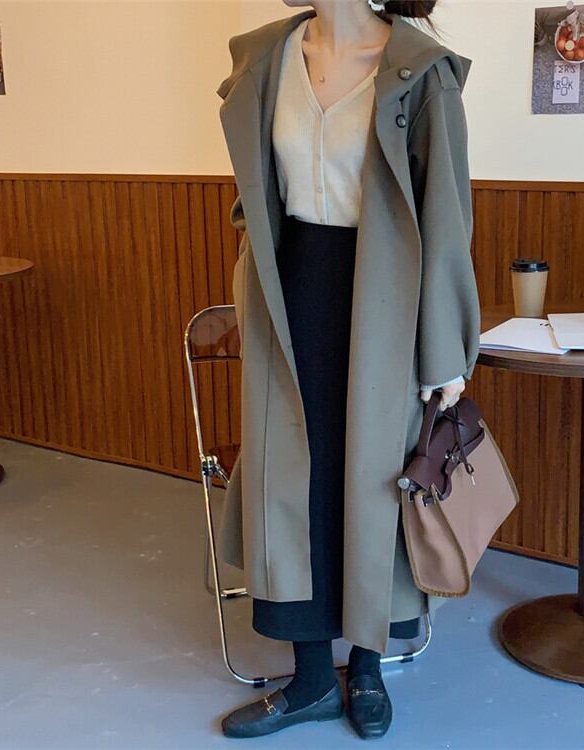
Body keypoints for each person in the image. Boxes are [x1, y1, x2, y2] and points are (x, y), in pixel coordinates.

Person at [215, 0, 480, 739]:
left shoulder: (421, 73)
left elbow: (447, 216)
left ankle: (365, 668)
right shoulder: (265, 58)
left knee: (373, 478)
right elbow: (255, 189)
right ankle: (309, 681)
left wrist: (446, 351)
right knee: (289, 479)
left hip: (383, 298)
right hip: (289, 288)